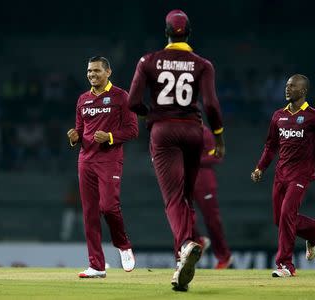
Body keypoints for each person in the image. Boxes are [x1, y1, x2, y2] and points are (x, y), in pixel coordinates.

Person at [128, 9, 225, 291]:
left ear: (166, 32)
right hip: (194, 131)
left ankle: (185, 244)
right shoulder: (203, 64)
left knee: (173, 199)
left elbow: (133, 102)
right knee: (186, 199)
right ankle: (179, 267)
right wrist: (218, 137)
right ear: (189, 32)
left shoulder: (149, 60)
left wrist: (152, 114)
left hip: (164, 132)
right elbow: (211, 106)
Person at [251, 74, 315, 277]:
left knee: (287, 214)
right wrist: (260, 168)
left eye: (292, 86)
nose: (287, 89)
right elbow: (271, 146)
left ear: (303, 91)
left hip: (301, 175)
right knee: (280, 220)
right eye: (287, 86)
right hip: (281, 174)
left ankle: (285, 265)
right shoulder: (278, 115)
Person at [67, 56, 138, 278]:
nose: (91, 74)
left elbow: (133, 130)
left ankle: (123, 244)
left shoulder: (121, 96)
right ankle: (96, 265)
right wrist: (74, 136)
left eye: (96, 71)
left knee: (108, 207)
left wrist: (108, 136)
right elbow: (80, 130)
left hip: (109, 159)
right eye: (89, 71)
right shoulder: (82, 99)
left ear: (108, 72)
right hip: (85, 160)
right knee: (89, 213)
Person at [193, 125, 232, 269]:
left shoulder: (204, 132)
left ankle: (224, 256)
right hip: (185, 180)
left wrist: (193, 160)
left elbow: (216, 156)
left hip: (204, 181)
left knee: (212, 220)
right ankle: (198, 241)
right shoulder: (180, 132)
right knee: (182, 214)